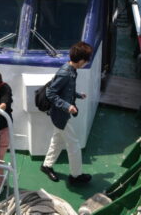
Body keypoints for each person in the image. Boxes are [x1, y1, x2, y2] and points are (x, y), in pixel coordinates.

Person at [40, 41, 93, 185]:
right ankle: (76, 176)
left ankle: (46, 165)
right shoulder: (65, 73)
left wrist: (77, 95)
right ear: (81, 61)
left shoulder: (71, 70)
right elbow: (51, 93)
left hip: (61, 114)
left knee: (57, 140)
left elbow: (66, 90)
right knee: (74, 145)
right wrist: (67, 106)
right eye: (86, 60)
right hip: (60, 115)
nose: (86, 63)